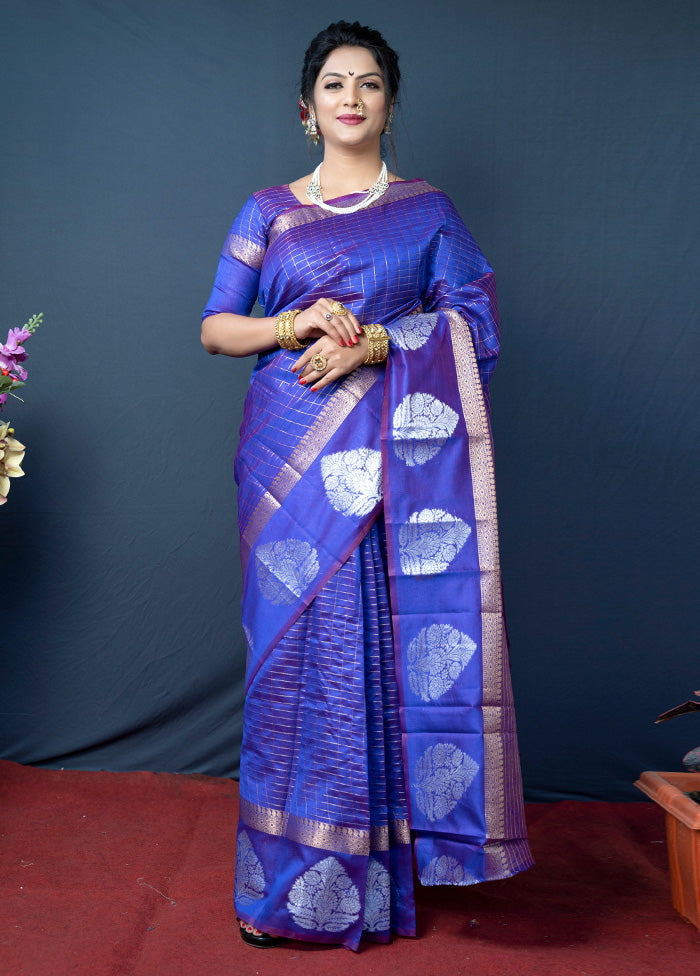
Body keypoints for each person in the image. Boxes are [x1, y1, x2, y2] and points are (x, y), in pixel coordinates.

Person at [201, 20, 533, 952]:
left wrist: (386, 342)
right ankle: (280, 892)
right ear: (306, 111)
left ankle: (372, 884)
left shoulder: (428, 213)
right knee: (290, 665)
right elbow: (216, 328)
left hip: (391, 461)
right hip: (283, 465)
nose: (353, 98)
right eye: (336, 84)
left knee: (368, 651)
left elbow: (474, 321)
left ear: (390, 103)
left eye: (371, 84)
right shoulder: (267, 210)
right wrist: (296, 323)